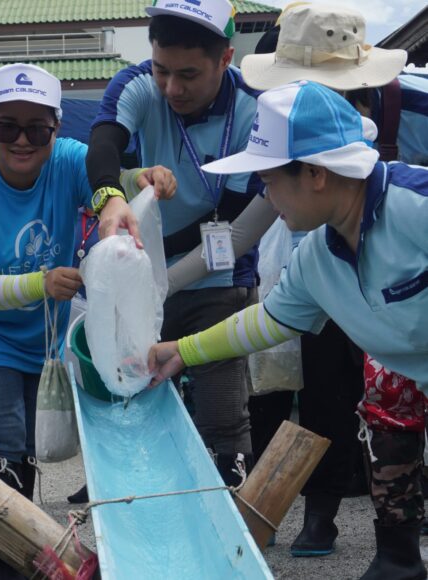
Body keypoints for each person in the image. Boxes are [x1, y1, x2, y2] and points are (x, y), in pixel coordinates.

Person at [165, 1, 428, 559]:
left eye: (268, 181)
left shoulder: (416, 205)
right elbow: (268, 320)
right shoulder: (315, 256)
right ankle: (398, 562)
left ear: (313, 173)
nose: (265, 196)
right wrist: (178, 352)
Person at [0, 62, 147, 579]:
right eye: (8, 127)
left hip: (37, 330)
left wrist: (140, 181)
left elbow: (105, 179)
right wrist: (42, 283)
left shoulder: (69, 160)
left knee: (27, 446)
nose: (22, 141)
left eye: (37, 128)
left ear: (56, 127)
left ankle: (22, 554)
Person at [86, 0, 278, 484]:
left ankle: (231, 506)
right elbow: (105, 143)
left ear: (226, 58)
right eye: (162, 70)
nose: (172, 88)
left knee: (221, 414)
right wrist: (110, 197)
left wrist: (157, 286)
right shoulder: (136, 85)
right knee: (135, 396)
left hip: (216, 279)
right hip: (147, 276)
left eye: (188, 74)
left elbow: (233, 230)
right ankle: (144, 505)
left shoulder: (254, 111)